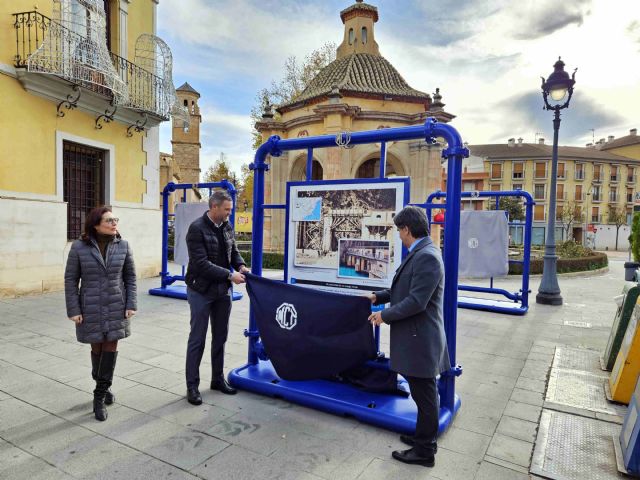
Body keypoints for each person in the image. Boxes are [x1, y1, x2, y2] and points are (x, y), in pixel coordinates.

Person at [367, 206, 450, 468]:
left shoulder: (427, 257)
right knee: (420, 394)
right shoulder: (422, 252)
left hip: (421, 339)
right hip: (417, 338)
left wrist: (385, 315)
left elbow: (416, 301)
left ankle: (425, 451)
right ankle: (421, 437)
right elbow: (401, 289)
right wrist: (377, 297)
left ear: (407, 229)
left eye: (399, 231)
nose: (399, 237)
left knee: (425, 397)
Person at [64, 207, 137, 421]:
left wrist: (131, 303)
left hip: (116, 304)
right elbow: (70, 280)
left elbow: (131, 278)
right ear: (96, 224)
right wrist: (74, 309)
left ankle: (99, 395)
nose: (114, 223)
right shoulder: (79, 247)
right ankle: (101, 381)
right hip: (91, 306)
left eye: (115, 219)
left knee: (111, 345)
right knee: (96, 345)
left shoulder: (123, 245)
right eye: (109, 220)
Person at [184, 190, 249, 405]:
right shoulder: (196, 229)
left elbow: (233, 251)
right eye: (227, 209)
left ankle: (217, 379)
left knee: (220, 337)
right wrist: (230, 275)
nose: (229, 213)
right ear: (214, 207)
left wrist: (240, 265)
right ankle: (192, 386)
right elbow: (201, 264)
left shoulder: (227, 226)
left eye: (230, 209)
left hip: (222, 292)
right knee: (198, 339)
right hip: (201, 290)